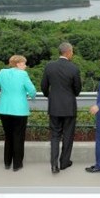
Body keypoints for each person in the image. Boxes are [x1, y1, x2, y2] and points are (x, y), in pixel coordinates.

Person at [0, 55, 37, 172]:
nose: (25, 66)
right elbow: (32, 91)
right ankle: (17, 164)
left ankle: (7, 162)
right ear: (18, 63)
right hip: (20, 110)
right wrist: (31, 96)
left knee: (8, 136)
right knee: (18, 137)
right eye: (24, 63)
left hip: (4, 109)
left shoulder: (2, 72)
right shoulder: (23, 74)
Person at [41, 42, 82, 174]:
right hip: (69, 107)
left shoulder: (49, 66)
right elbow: (77, 90)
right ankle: (64, 163)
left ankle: (54, 165)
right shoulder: (74, 68)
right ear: (68, 52)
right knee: (68, 136)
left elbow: (43, 87)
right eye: (72, 51)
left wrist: (51, 97)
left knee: (55, 136)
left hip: (54, 107)